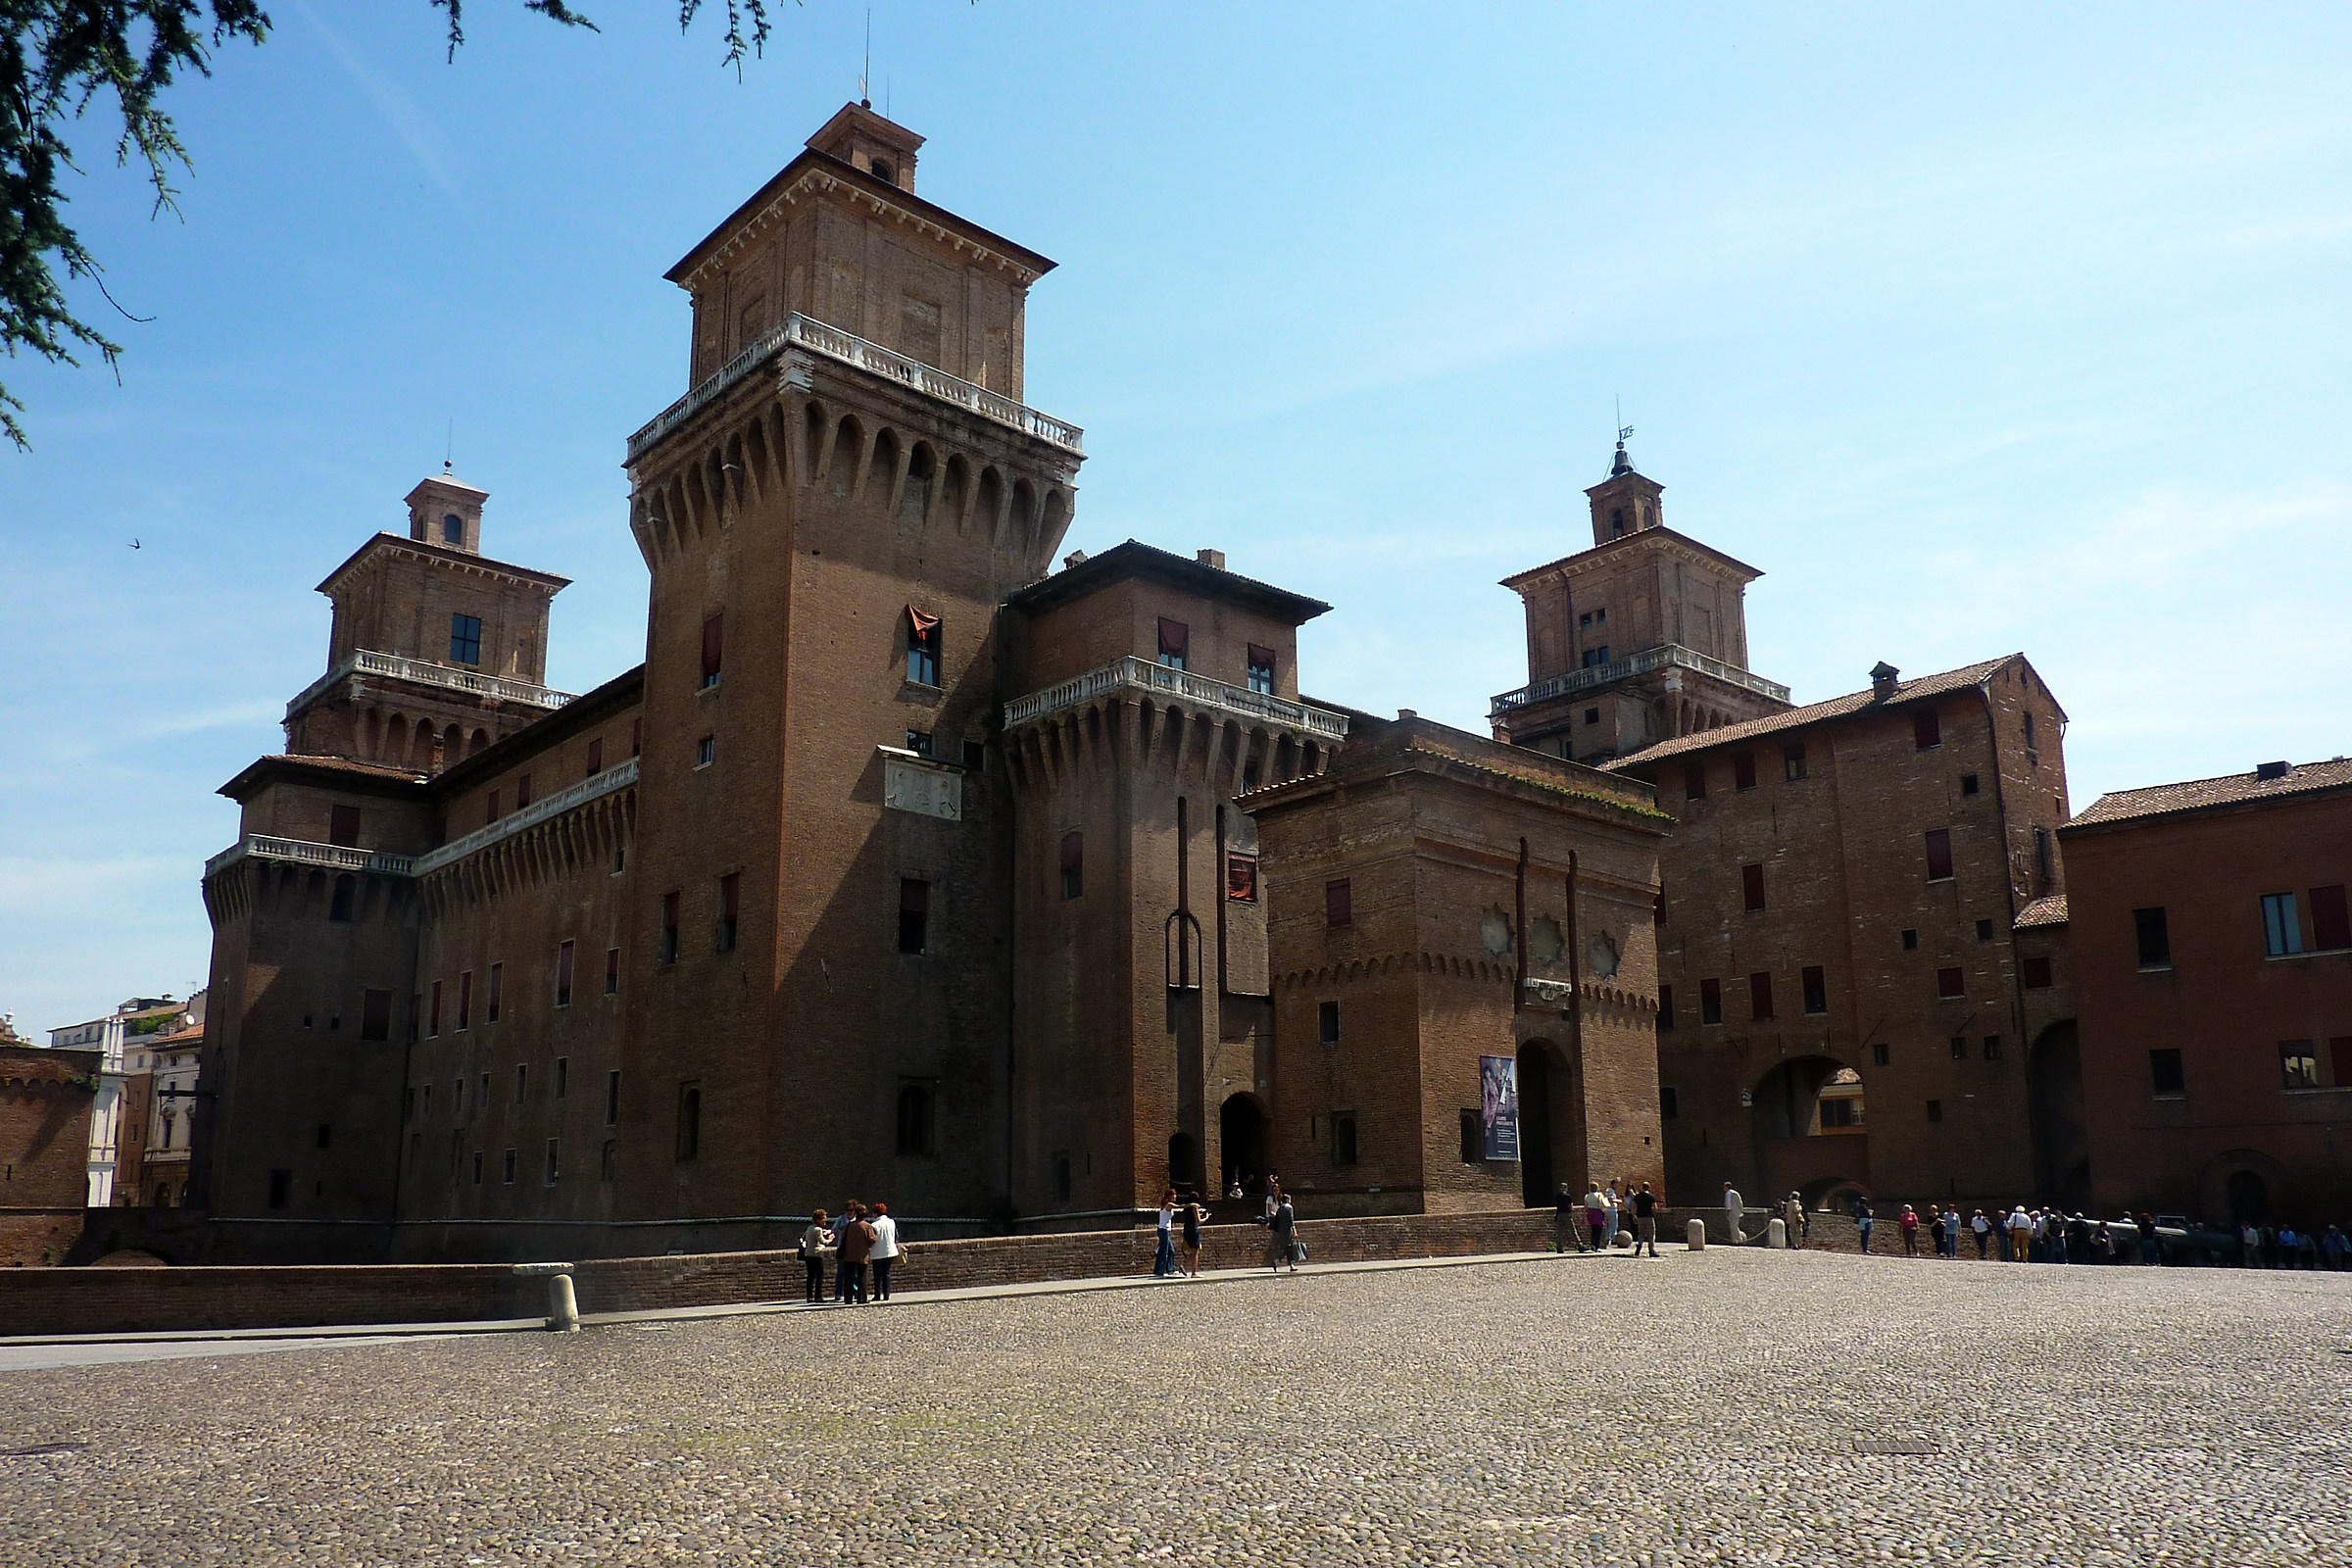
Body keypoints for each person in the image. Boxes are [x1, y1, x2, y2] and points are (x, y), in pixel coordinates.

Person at [837, 1202, 876, 1303]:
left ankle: (848, 1298)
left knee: (848, 1278)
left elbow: (843, 1238)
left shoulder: (849, 1225)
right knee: (862, 1277)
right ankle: (861, 1298)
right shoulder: (867, 1226)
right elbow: (872, 1239)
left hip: (848, 1255)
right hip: (862, 1255)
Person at [800, 1209, 836, 1304]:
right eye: (824, 1218)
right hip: (816, 1255)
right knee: (820, 1275)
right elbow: (824, 1242)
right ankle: (818, 1296)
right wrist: (830, 1239)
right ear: (818, 1219)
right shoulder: (818, 1229)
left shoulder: (810, 1228)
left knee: (811, 1276)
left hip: (808, 1254)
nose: (825, 1220)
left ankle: (809, 1296)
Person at [868, 1201, 901, 1301]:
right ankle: (886, 1294)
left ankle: (877, 1295)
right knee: (886, 1273)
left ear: (875, 1213)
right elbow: (896, 1236)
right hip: (890, 1251)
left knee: (877, 1275)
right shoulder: (891, 1222)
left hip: (878, 1252)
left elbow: (871, 1239)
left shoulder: (874, 1225)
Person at [1266, 1192, 1298, 1272]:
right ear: (1288, 1200)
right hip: (1288, 1230)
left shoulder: (1280, 1209)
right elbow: (1291, 1220)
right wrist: (1294, 1231)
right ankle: (1280, 1261)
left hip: (1281, 1231)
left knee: (1286, 1247)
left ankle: (1289, 1264)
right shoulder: (1289, 1208)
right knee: (1289, 1247)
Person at [1632, 1181, 1660, 1257]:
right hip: (1649, 1216)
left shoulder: (1637, 1197)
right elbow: (1655, 1207)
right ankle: (1651, 1250)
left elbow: (1633, 1206)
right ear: (1649, 1188)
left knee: (1641, 1233)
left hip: (1640, 1217)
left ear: (1642, 1187)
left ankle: (1639, 1245)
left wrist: (1634, 1215)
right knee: (1651, 1234)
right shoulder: (1651, 1197)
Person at [1153, 1190, 1178, 1278]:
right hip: (1164, 1230)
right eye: (1174, 1195)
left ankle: (1170, 1269)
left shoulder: (1165, 1205)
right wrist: (1191, 1205)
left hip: (1164, 1230)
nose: (1176, 1196)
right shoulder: (1169, 1205)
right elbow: (1181, 1206)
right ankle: (1159, 1271)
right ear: (1170, 1196)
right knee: (1164, 1251)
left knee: (1171, 1250)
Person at [1555, 1181, 1583, 1253]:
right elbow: (1570, 1206)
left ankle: (1559, 1247)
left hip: (1559, 1214)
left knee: (1560, 1232)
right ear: (1566, 1188)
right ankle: (1579, 1244)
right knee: (1572, 1230)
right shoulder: (1567, 1196)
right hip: (1567, 1214)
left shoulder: (1558, 1196)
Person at [1181, 1196, 1204, 1277]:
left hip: (1187, 1229)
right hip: (1193, 1230)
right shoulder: (1195, 1208)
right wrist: (1206, 1217)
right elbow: (1199, 1221)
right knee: (1195, 1251)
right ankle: (1193, 1272)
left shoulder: (1186, 1208)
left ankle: (1184, 1265)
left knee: (1193, 1250)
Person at [1585, 1180, 1608, 1255]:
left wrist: (1584, 1216)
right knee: (1598, 1230)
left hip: (1590, 1213)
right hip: (1598, 1212)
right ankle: (1597, 1246)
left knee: (1593, 1229)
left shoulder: (1587, 1196)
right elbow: (1604, 1204)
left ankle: (1592, 1245)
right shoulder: (1599, 1195)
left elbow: (1585, 1207)